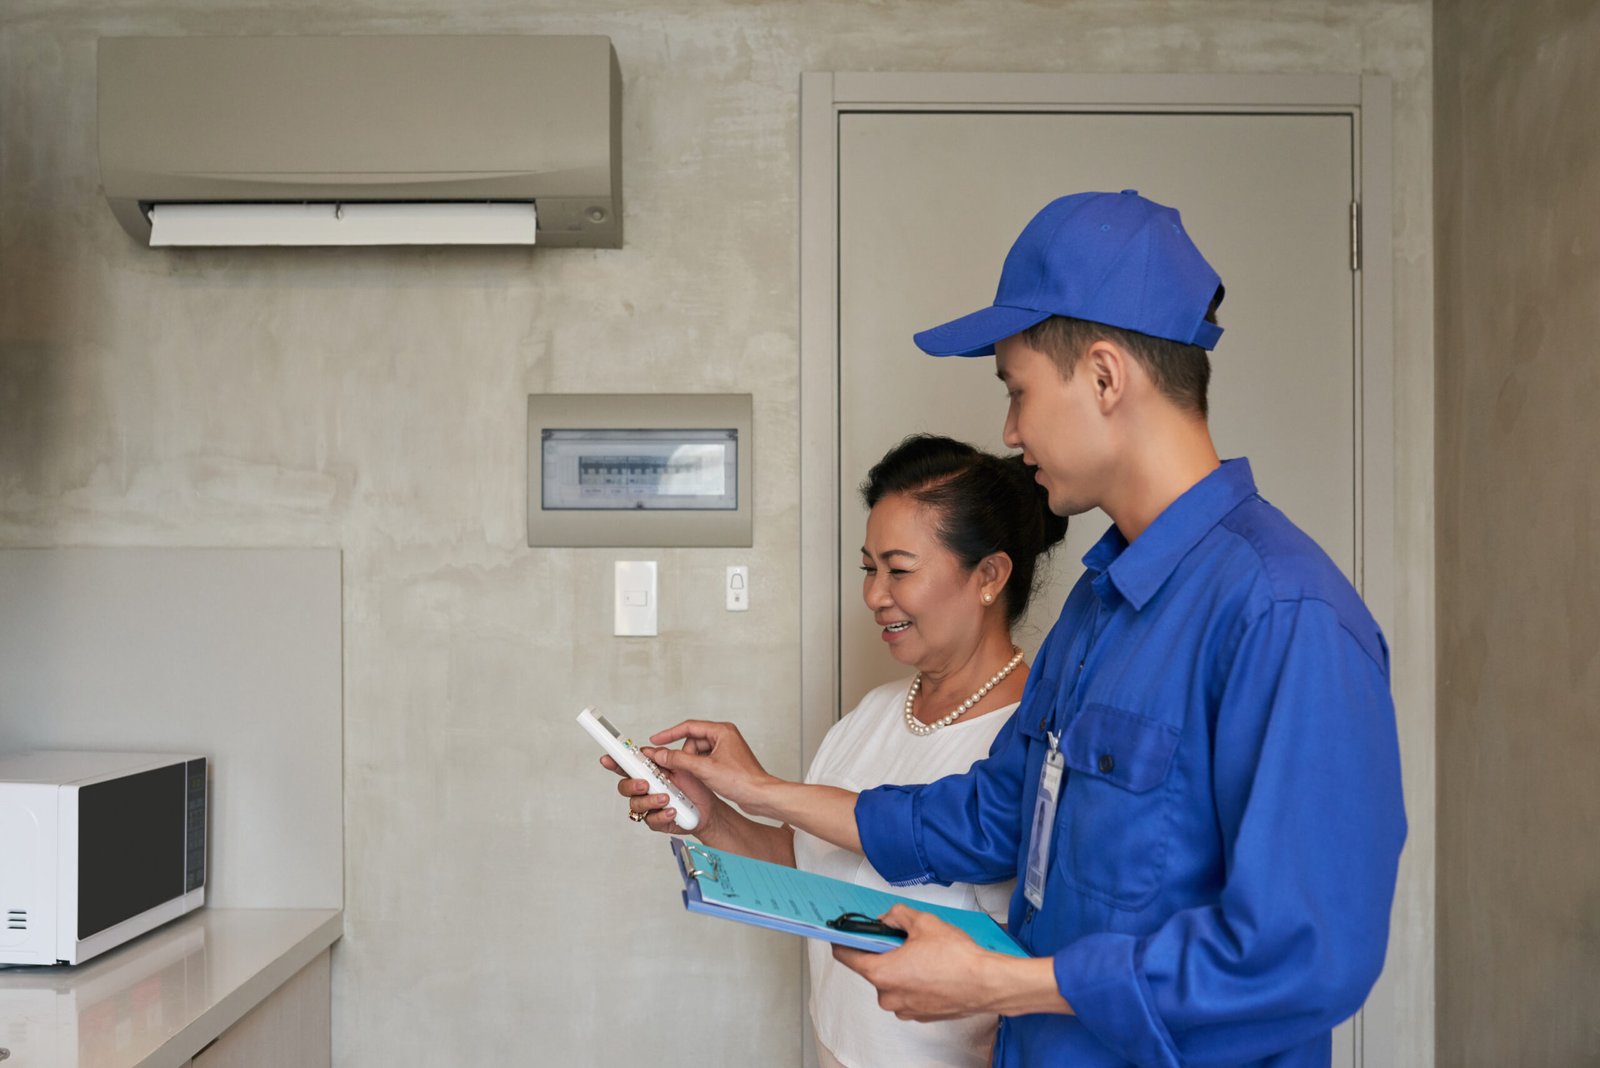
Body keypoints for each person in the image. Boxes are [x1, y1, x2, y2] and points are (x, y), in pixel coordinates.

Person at [642, 190, 1407, 1067]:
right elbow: (992, 813)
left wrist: (1005, 983)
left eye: (1019, 391)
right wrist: (756, 791)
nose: (1009, 430)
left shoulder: (1283, 616)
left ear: (1106, 376)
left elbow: (1304, 958)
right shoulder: (1099, 605)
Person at [605, 433, 1067, 1068]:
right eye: (868, 568)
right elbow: (809, 868)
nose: (875, 595)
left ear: (988, 575)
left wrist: (760, 787)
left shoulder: (1033, 741)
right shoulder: (872, 713)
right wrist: (712, 815)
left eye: (899, 569)